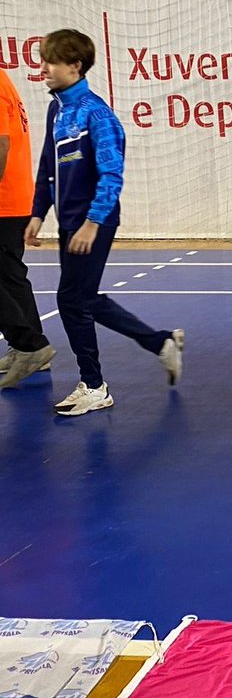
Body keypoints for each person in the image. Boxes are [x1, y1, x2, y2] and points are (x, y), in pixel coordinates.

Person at [26, 30, 183, 417]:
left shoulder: (98, 114)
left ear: (75, 66)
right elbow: (49, 166)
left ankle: (95, 385)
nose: (43, 68)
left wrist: (93, 223)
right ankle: (160, 343)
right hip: (70, 223)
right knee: (83, 298)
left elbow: (112, 174)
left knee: (73, 299)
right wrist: (37, 213)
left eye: (51, 61)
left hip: (93, 223)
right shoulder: (57, 109)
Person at [0, 67, 56, 388]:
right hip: (16, 198)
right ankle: (29, 345)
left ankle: (29, 346)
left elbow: (1, 146)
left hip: (4, 200)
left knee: (8, 275)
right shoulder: (4, 80)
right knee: (10, 275)